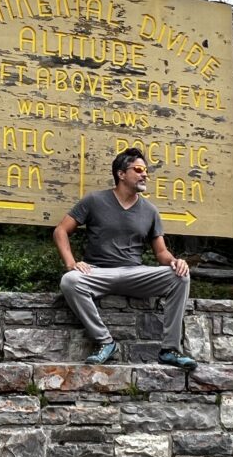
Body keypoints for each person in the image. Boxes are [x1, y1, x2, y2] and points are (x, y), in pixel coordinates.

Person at [53, 146, 198, 370]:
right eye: (139, 169)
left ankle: (169, 350)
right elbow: (61, 230)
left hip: (135, 273)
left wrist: (175, 261)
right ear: (121, 174)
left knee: (180, 277)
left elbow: (160, 252)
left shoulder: (150, 210)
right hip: (98, 272)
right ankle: (105, 342)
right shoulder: (94, 200)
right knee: (70, 281)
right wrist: (71, 264)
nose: (144, 174)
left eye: (146, 170)